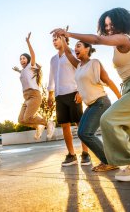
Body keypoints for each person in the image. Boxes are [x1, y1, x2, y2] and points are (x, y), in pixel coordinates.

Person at [51, 7, 130, 181]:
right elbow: (71, 55)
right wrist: (64, 41)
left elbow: (98, 39)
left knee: (107, 120)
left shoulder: (124, 38)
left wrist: (69, 34)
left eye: (111, 23)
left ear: (121, 22)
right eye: (105, 25)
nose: (108, 28)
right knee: (123, 134)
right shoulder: (89, 60)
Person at [60, 36, 121, 171]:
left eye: (79, 45)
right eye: (75, 46)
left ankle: (109, 161)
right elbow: (68, 53)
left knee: (85, 133)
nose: (76, 48)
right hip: (91, 104)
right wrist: (63, 38)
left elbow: (108, 80)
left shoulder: (94, 63)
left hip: (101, 102)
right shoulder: (78, 66)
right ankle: (108, 160)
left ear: (88, 49)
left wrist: (120, 97)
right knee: (83, 133)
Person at [47, 34, 91, 167]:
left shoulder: (73, 53)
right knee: (64, 125)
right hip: (59, 95)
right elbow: (52, 77)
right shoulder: (53, 59)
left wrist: (80, 90)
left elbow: (80, 71)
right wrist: (50, 94)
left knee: (80, 124)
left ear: (64, 39)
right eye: (53, 40)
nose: (54, 42)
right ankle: (71, 155)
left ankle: (85, 153)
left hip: (73, 92)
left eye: (57, 39)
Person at [13, 32, 55, 140]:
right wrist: (18, 70)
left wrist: (28, 42)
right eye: (20, 59)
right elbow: (24, 74)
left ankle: (48, 122)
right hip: (26, 97)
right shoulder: (23, 71)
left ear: (28, 59)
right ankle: (38, 125)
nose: (22, 60)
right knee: (21, 120)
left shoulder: (31, 66)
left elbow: (33, 54)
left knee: (28, 117)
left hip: (34, 95)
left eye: (23, 58)